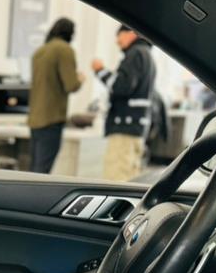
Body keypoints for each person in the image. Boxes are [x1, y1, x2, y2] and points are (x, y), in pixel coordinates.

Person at [92, 24, 156, 181]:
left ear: (131, 33)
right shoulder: (147, 55)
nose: (117, 41)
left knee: (116, 178)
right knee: (130, 179)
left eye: (119, 35)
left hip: (124, 129)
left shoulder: (135, 53)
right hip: (136, 129)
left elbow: (121, 86)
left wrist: (100, 71)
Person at [28, 18, 85, 173]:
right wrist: (80, 79)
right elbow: (71, 85)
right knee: (43, 171)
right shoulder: (64, 50)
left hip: (35, 119)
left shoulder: (40, 51)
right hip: (51, 118)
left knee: (34, 170)